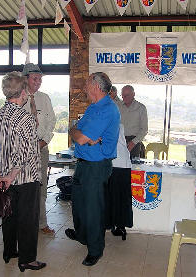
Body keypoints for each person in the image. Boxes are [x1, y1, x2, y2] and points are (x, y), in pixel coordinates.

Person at [0, 72, 46, 272]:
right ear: (22, 93)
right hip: (25, 177)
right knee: (28, 219)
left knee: (9, 214)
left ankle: (10, 251)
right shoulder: (26, 118)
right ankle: (27, 259)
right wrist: (12, 175)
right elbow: (27, 153)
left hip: (4, 178)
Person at [65, 72, 120, 266]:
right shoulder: (92, 107)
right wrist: (78, 132)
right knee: (79, 202)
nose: (85, 87)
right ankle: (82, 235)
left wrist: (78, 133)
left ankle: (95, 249)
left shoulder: (107, 109)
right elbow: (76, 130)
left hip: (96, 166)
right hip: (83, 162)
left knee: (93, 209)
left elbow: (78, 136)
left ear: (96, 86)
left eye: (88, 83)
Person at [22, 63, 57, 235]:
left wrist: (43, 141)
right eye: (35, 79)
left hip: (41, 149)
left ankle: (42, 222)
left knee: (40, 186)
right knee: (24, 187)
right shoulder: (18, 97)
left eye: (40, 79)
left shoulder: (45, 98)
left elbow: (52, 122)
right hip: (21, 151)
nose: (38, 82)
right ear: (25, 79)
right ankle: (25, 222)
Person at [104, 123, 133, 241]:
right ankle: (121, 228)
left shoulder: (104, 123)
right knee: (122, 197)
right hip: (124, 162)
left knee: (108, 197)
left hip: (112, 162)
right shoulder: (119, 124)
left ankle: (107, 225)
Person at [118, 85, 148, 159]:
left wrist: (133, 142)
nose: (124, 97)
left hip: (134, 142)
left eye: (127, 95)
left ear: (133, 94)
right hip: (119, 141)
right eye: (123, 95)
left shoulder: (141, 108)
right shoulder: (117, 107)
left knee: (133, 167)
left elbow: (144, 130)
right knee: (118, 167)